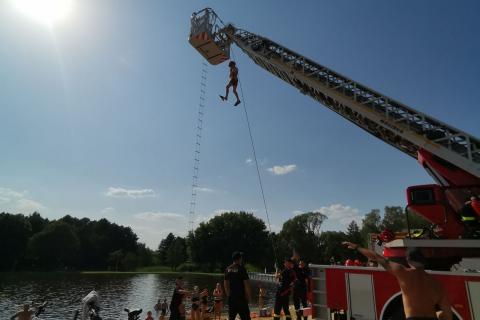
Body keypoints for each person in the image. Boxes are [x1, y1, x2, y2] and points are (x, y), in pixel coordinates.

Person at [343, 242, 453, 320]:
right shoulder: (437, 283)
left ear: (408, 259)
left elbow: (376, 257)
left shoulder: (404, 273)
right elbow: (447, 315)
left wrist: (356, 247)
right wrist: (438, 315)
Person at [224, 251, 251, 320]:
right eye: (241, 258)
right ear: (240, 259)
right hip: (241, 298)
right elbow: (246, 285)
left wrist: (229, 295)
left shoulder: (228, 269)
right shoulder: (242, 269)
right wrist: (248, 297)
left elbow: (225, 284)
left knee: (231, 317)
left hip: (232, 298)